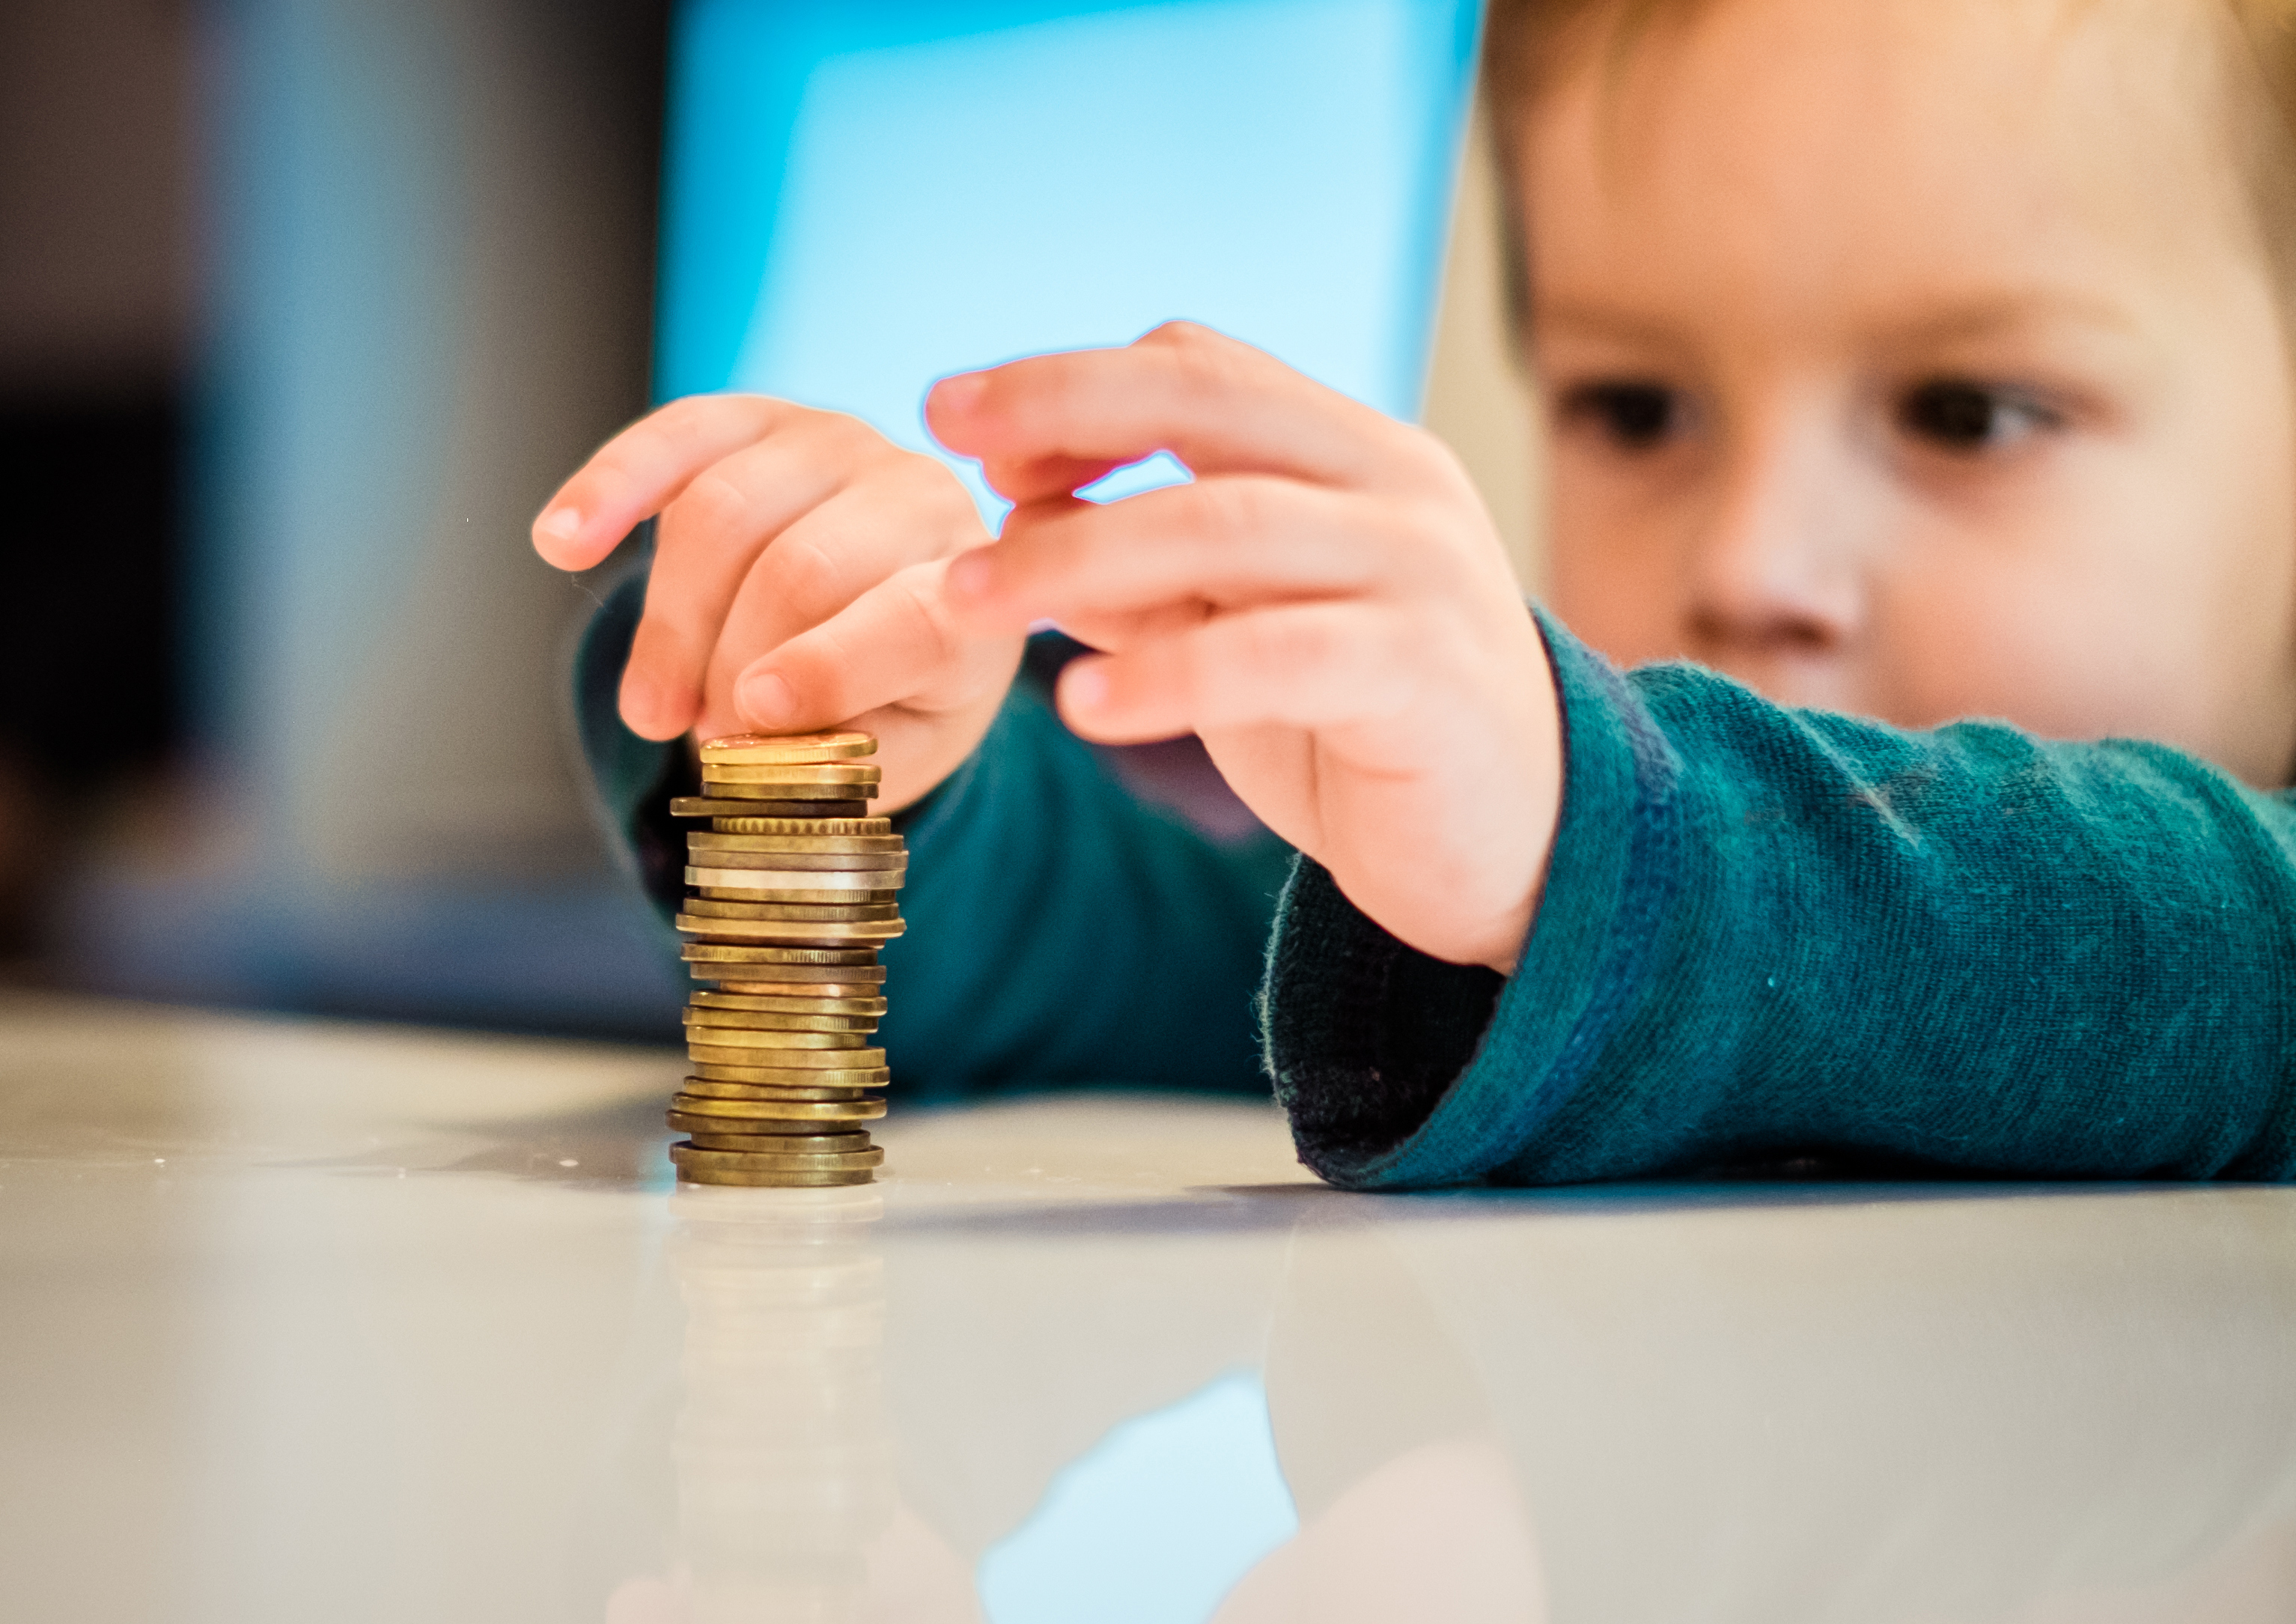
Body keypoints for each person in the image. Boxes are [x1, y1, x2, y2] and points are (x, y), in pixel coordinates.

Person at [533, 0, 2296, 1187]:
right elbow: (1137, 964)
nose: (1753, 560)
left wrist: (1621, 827)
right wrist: (880, 743)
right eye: (1633, 407)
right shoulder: (1519, 928)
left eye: (1964, 412)